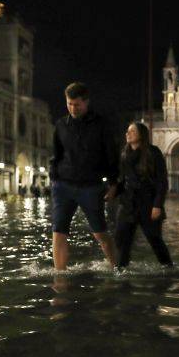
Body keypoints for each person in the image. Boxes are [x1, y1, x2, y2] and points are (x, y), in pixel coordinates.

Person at [49, 82, 118, 270]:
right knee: (58, 232)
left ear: (86, 102)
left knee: (100, 232)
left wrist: (113, 184)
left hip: (91, 186)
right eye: (69, 104)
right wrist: (54, 178)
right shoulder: (61, 125)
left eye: (77, 104)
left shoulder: (101, 125)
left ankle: (116, 267)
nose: (73, 108)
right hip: (63, 186)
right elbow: (56, 154)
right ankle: (60, 274)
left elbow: (111, 155)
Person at [111, 122, 173, 268]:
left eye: (132, 131)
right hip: (128, 204)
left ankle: (167, 266)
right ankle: (122, 268)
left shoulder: (153, 152)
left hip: (148, 204)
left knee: (154, 239)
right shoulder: (124, 154)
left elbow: (162, 181)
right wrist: (113, 192)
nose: (128, 133)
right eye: (127, 131)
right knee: (121, 238)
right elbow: (123, 180)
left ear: (142, 134)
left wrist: (157, 205)